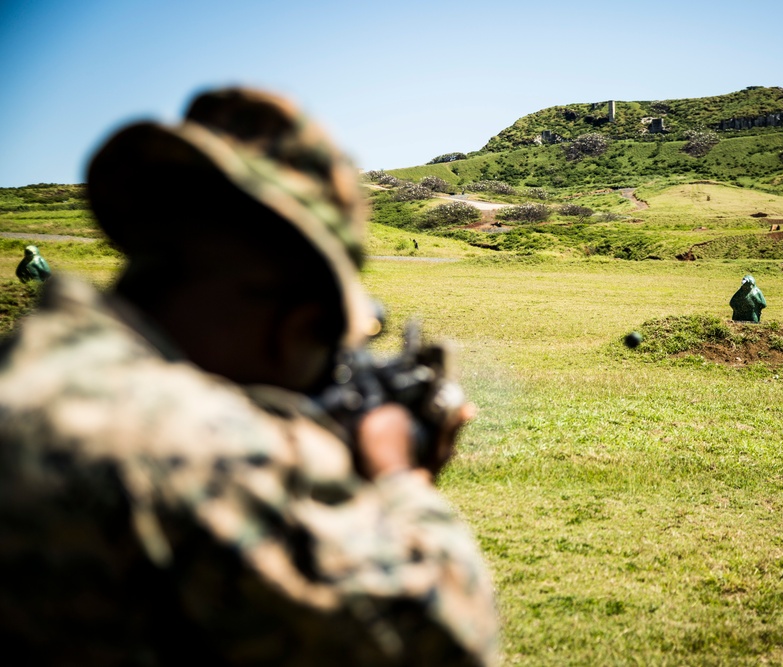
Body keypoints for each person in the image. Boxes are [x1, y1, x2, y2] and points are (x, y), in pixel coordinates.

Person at [0, 88, 498, 665]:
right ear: (298, 324)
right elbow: (444, 640)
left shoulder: (36, 368)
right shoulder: (194, 444)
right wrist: (401, 476)